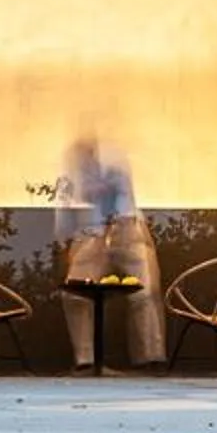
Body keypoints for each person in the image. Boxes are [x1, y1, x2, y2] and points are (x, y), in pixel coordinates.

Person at [55, 137, 165, 370]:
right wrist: (66, 242)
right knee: (75, 295)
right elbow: (66, 207)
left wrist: (112, 228)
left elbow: (123, 197)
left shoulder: (115, 158)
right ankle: (85, 360)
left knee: (143, 294)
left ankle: (151, 357)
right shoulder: (71, 170)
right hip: (91, 233)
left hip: (126, 228)